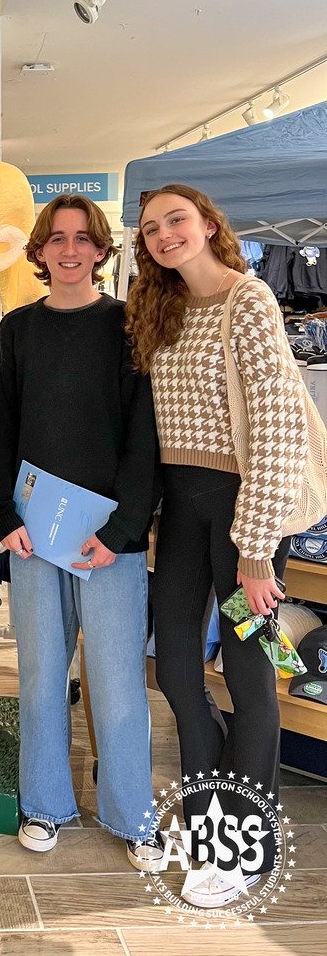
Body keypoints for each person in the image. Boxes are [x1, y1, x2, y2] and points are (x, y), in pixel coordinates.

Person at [127, 184, 308, 908]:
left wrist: (256, 551)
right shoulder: (159, 309)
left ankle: (245, 845)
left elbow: (278, 430)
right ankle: (208, 823)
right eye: (150, 228)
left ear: (207, 224)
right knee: (173, 668)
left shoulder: (250, 301)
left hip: (247, 522)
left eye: (176, 219)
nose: (165, 234)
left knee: (249, 674)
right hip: (183, 517)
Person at [0, 195, 162, 871]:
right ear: (40, 250)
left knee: (115, 683)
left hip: (106, 541)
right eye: (57, 239)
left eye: (82, 239)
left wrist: (123, 529)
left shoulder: (127, 327)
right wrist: (1, 518)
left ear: (100, 250)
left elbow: (144, 439)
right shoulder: (18, 330)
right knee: (40, 677)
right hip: (34, 537)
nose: (69, 250)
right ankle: (44, 803)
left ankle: (130, 813)